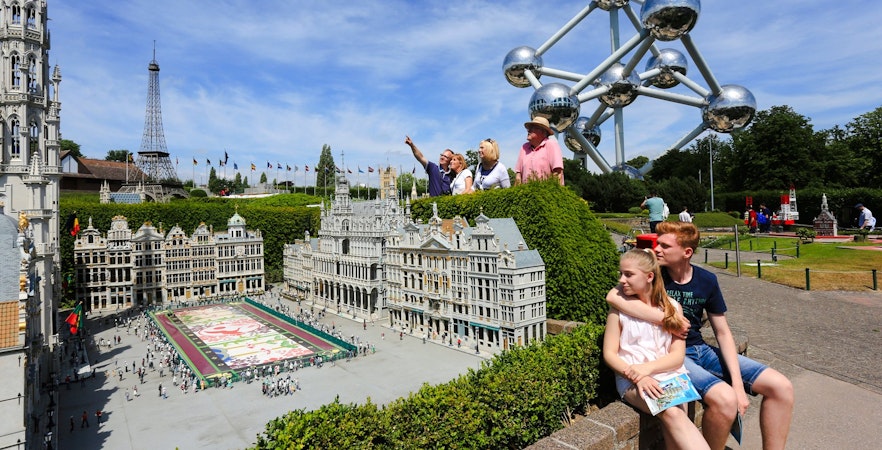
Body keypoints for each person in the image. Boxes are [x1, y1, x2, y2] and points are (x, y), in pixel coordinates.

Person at [607, 222, 793, 450]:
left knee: (781, 387)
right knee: (724, 400)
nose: (657, 249)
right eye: (658, 244)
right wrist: (669, 321)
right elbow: (613, 297)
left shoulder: (706, 280)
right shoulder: (653, 275)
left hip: (701, 349)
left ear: (687, 253)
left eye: (665, 246)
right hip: (675, 356)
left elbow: (722, 333)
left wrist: (737, 383)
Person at [603, 249, 709, 449]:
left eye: (628, 274)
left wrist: (648, 369)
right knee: (673, 413)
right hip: (632, 379)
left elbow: (677, 357)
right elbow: (609, 353)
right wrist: (638, 376)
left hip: (670, 376)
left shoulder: (672, 308)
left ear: (649, 276)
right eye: (621, 273)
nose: (621, 280)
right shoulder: (618, 309)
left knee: (677, 421)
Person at [514, 116, 564, 185]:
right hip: (526, 194)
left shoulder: (551, 145)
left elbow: (558, 174)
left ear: (543, 132)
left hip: (546, 193)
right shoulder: (524, 147)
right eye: (529, 128)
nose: (528, 131)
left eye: (532, 128)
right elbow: (518, 176)